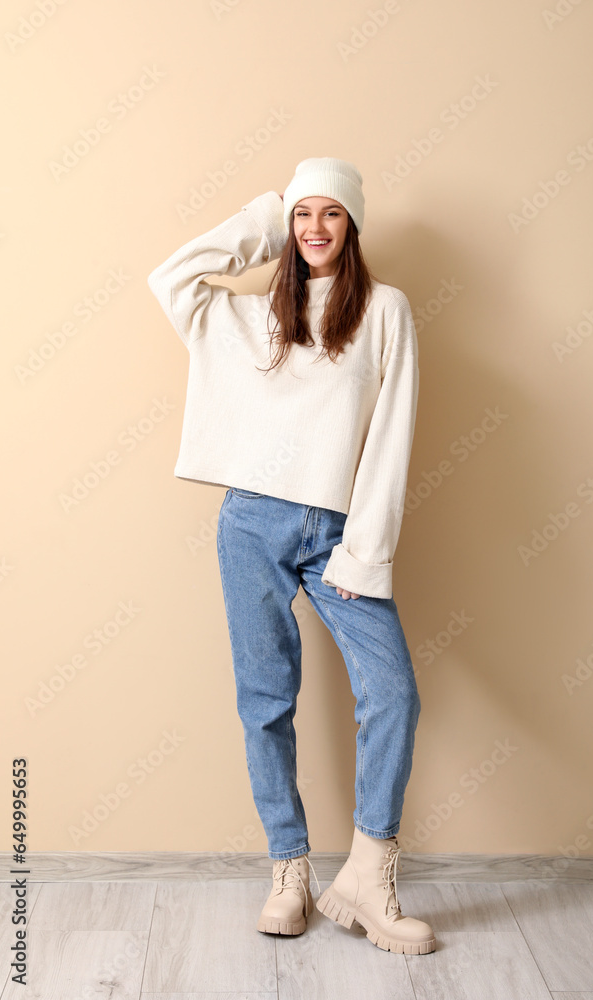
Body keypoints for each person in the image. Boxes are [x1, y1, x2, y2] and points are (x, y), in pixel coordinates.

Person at [147, 157, 435, 955]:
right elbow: (172, 276)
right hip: (250, 523)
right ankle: (289, 867)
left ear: (353, 226)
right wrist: (268, 215)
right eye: (301, 215)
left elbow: (390, 439)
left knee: (393, 695)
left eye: (329, 215)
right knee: (265, 701)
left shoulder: (384, 311)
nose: (313, 228)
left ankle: (368, 878)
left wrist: (363, 549)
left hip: (337, 530)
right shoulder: (248, 317)